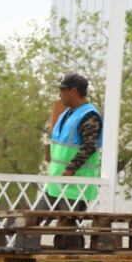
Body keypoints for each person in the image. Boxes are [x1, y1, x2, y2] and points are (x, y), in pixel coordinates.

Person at [44, 72, 102, 212]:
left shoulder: (89, 116)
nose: (60, 95)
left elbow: (89, 146)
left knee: (67, 229)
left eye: (62, 91)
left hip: (75, 187)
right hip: (56, 183)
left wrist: (70, 169)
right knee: (31, 222)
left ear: (73, 91)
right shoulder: (67, 113)